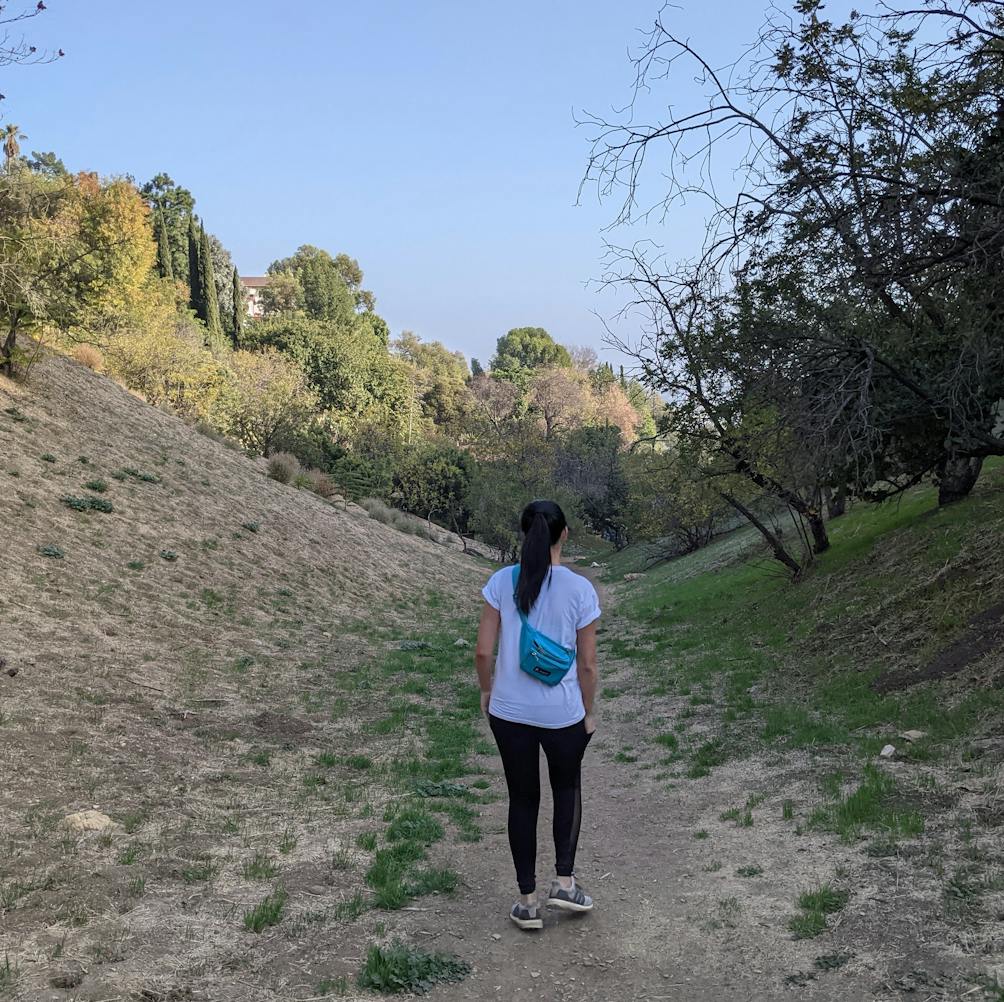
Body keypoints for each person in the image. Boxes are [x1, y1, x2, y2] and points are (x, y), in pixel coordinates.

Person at [475, 499, 601, 930]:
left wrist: (488, 691)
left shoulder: (500, 582)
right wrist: (588, 710)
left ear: (524, 532)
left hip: (509, 713)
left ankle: (527, 902)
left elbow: (482, 651)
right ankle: (564, 884)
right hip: (562, 714)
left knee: (522, 799)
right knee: (567, 790)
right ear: (563, 534)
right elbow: (587, 664)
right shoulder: (580, 589)